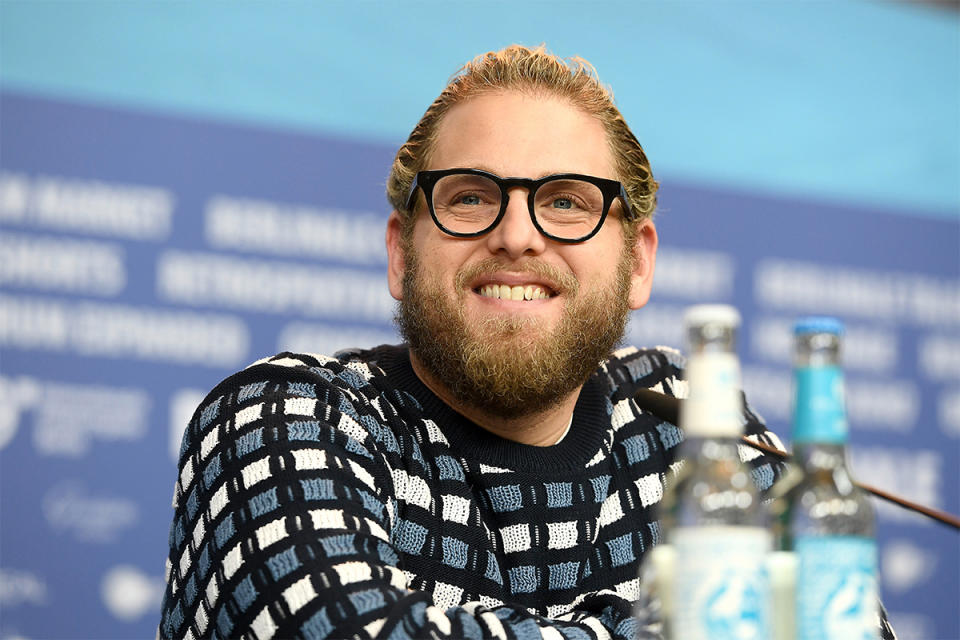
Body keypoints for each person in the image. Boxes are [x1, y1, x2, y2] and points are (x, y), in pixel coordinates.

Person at [158, 45, 895, 640]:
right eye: (471, 197)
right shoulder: (280, 415)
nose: (516, 235)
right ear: (400, 252)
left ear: (638, 262)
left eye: (566, 201)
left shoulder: (686, 420)